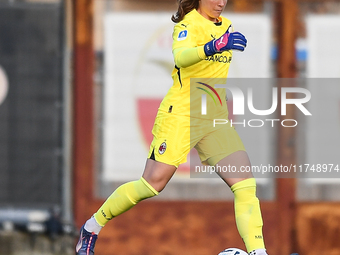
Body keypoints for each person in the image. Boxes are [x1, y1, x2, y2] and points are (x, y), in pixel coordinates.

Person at [76, 0, 268, 254]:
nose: (221, 2)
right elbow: (182, 57)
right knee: (152, 184)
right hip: (181, 115)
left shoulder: (227, 26)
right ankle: (92, 227)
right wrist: (213, 46)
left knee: (245, 185)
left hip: (213, 118)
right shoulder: (188, 24)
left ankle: (258, 251)